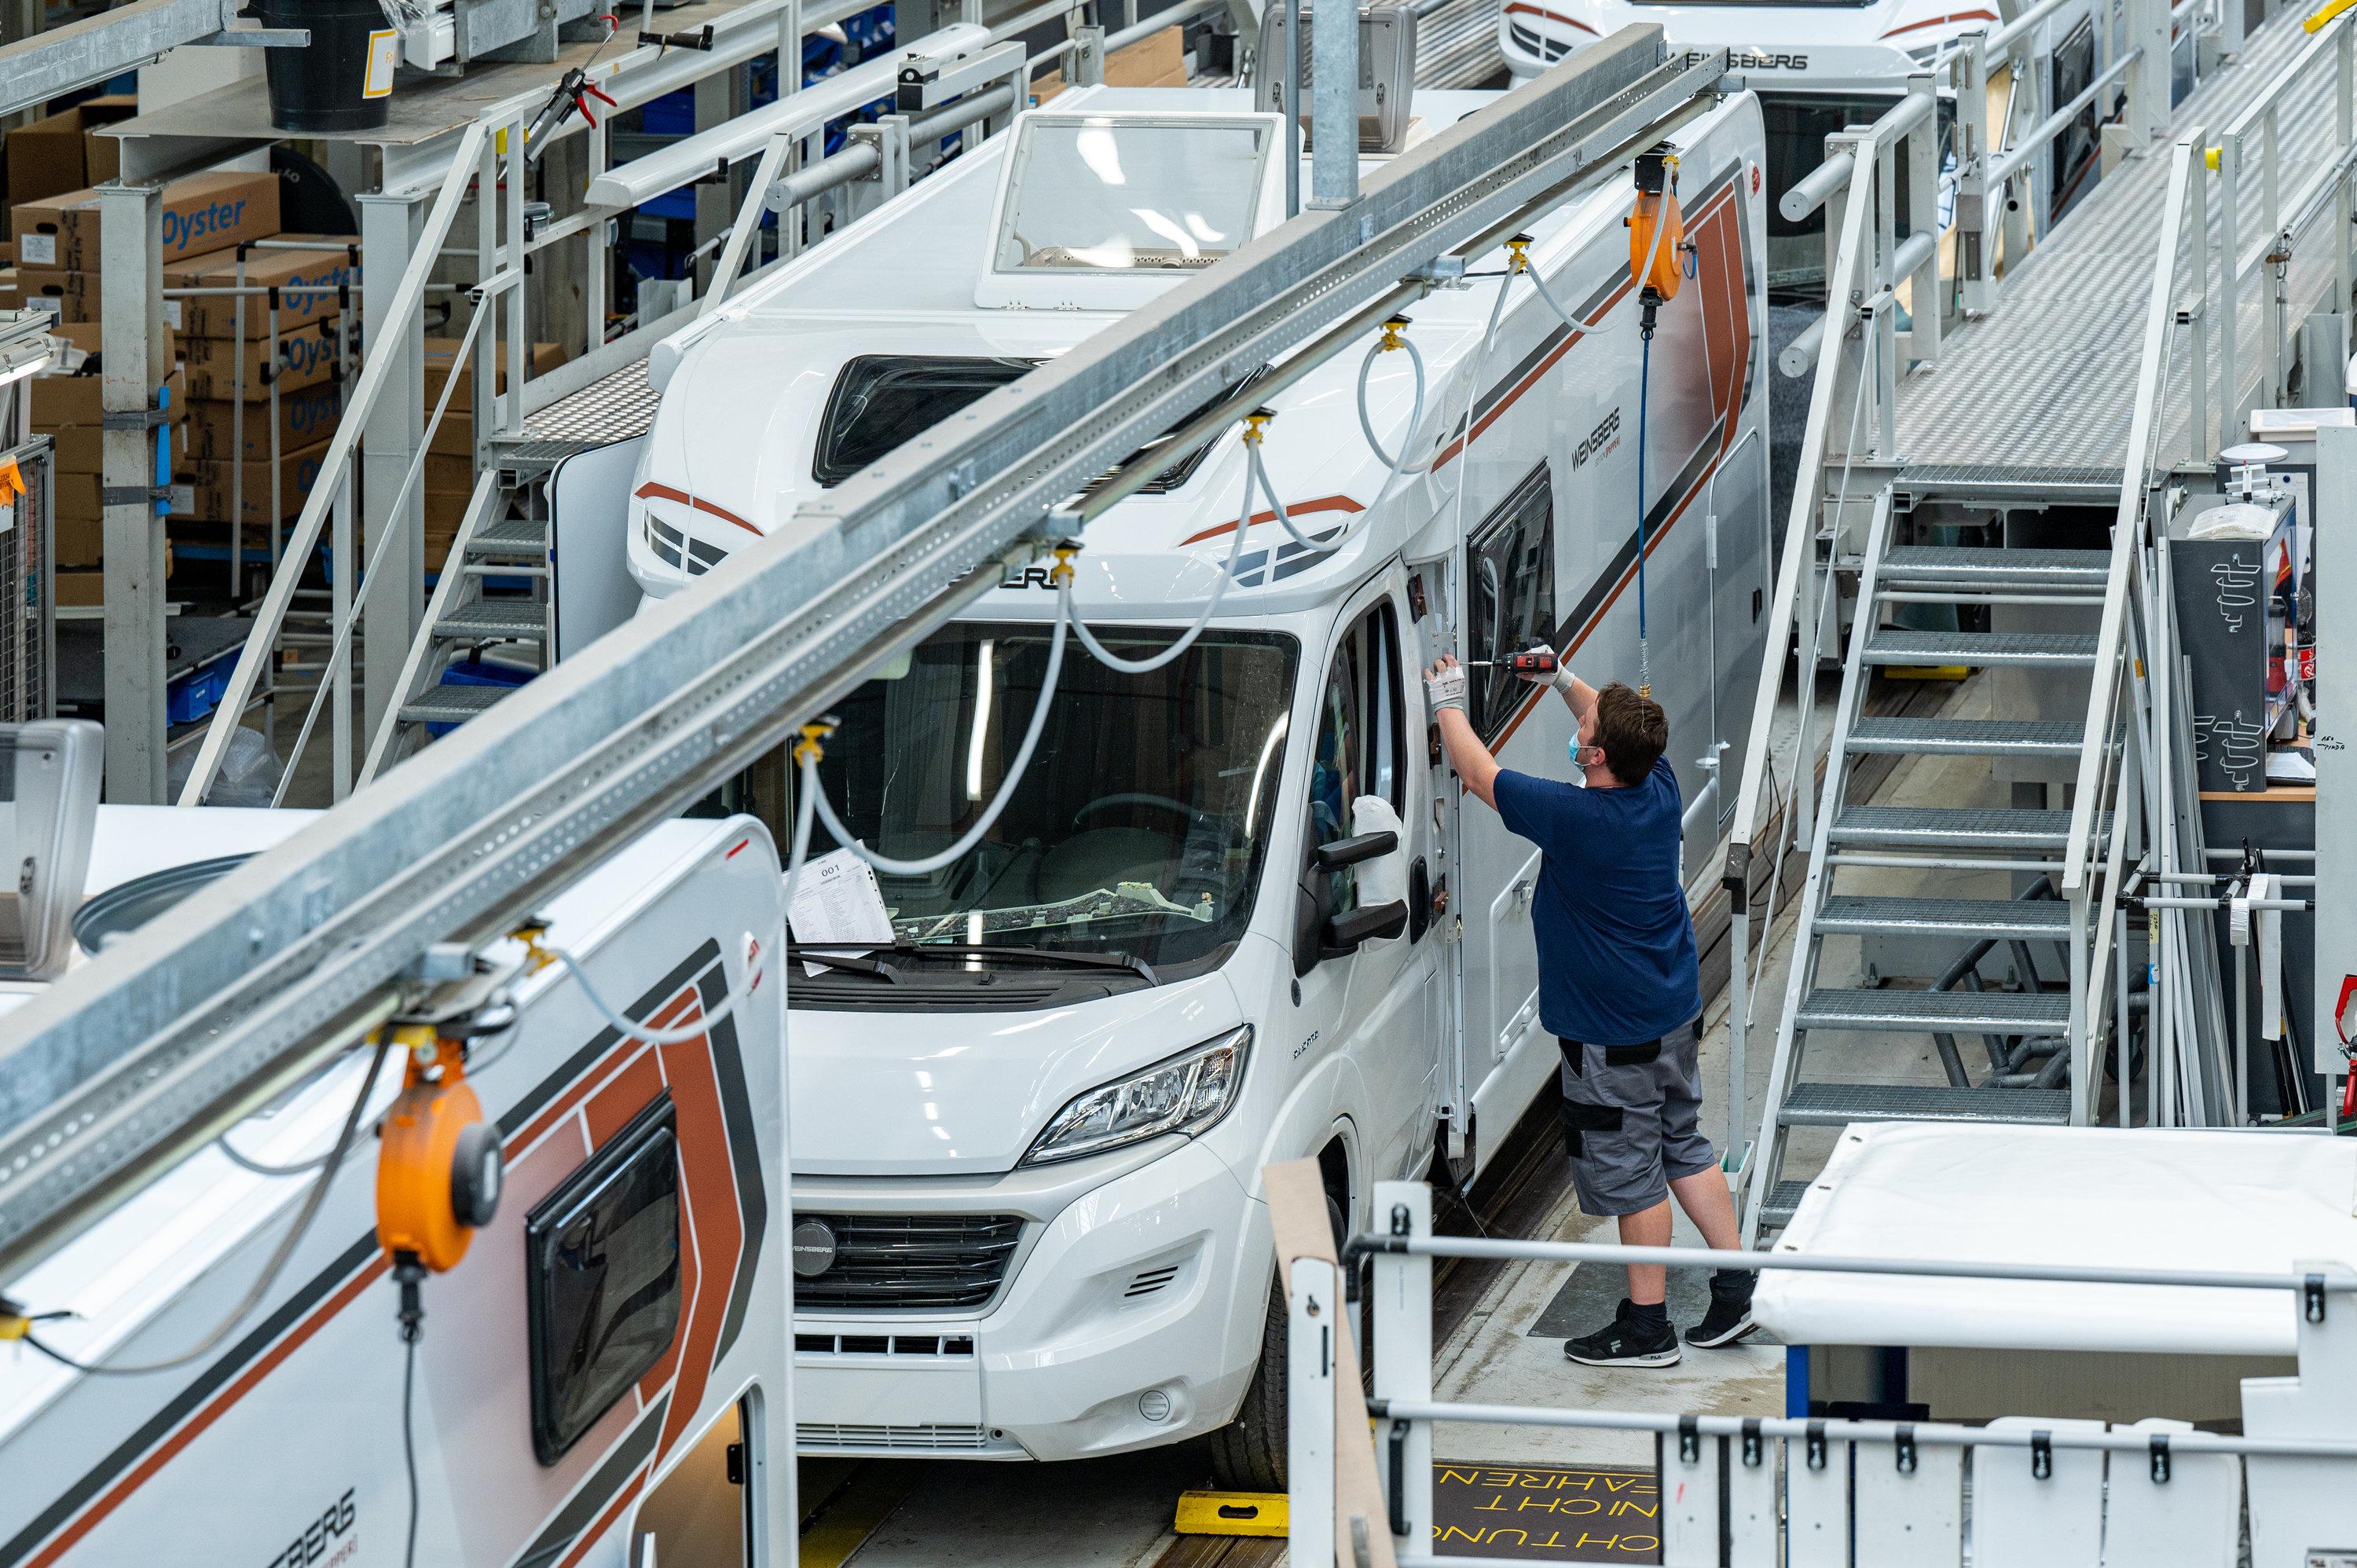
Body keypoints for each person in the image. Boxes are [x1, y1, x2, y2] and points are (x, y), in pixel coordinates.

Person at [1424, 650, 1754, 1367]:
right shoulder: (1656, 783)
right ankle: (1736, 1290)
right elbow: (1598, 726)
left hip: (1612, 1038)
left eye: (1588, 728)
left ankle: (1648, 1329)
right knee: (1683, 1144)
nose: (1582, 727)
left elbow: (1478, 773)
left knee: (1635, 1177)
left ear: (1595, 755)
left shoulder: (1576, 817)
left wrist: (1448, 698)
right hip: (1672, 1012)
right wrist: (1562, 679)